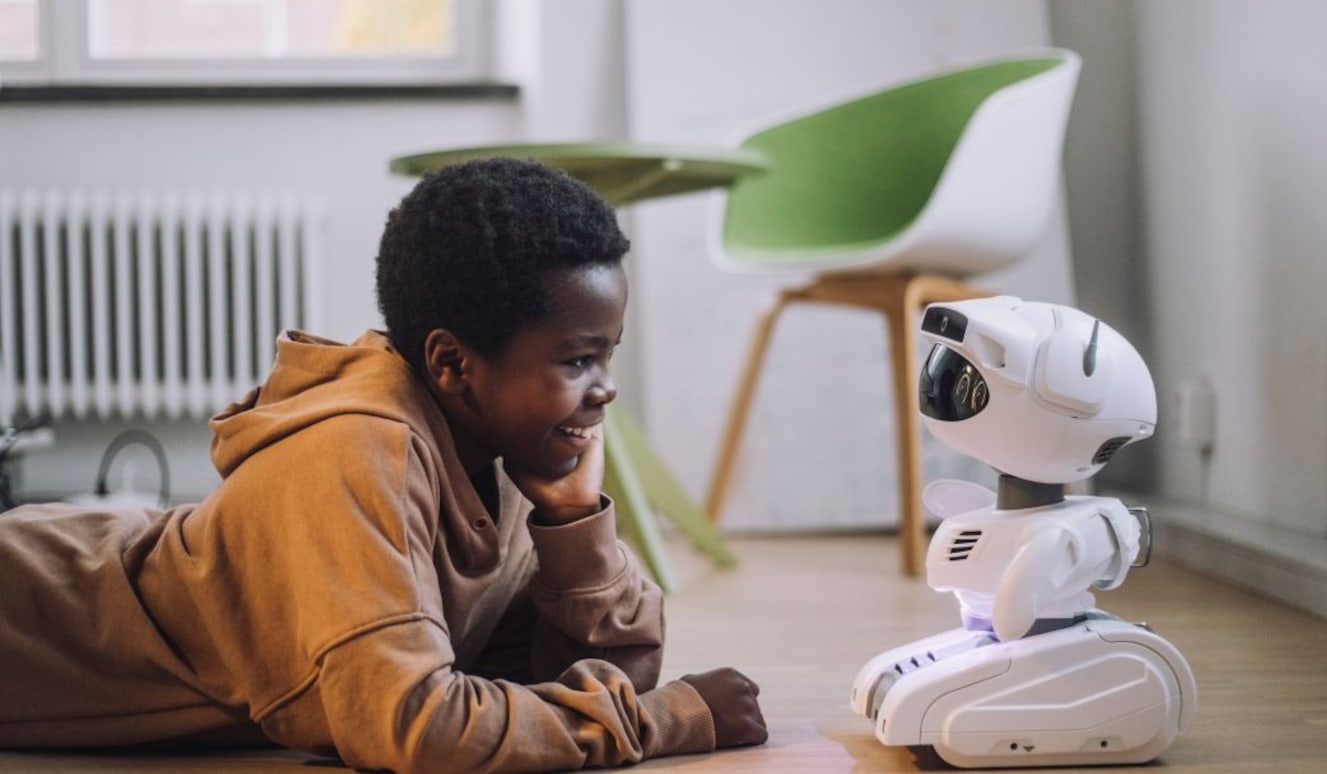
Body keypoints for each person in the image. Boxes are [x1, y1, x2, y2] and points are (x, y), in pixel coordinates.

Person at [0, 158, 768, 773]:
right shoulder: (357, 452)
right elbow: (416, 730)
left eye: (609, 354)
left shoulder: (503, 458)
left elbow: (592, 677)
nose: (604, 390)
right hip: (39, 608)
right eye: (577, 359)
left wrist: (573, 523)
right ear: (451, 363)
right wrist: (673, 722)